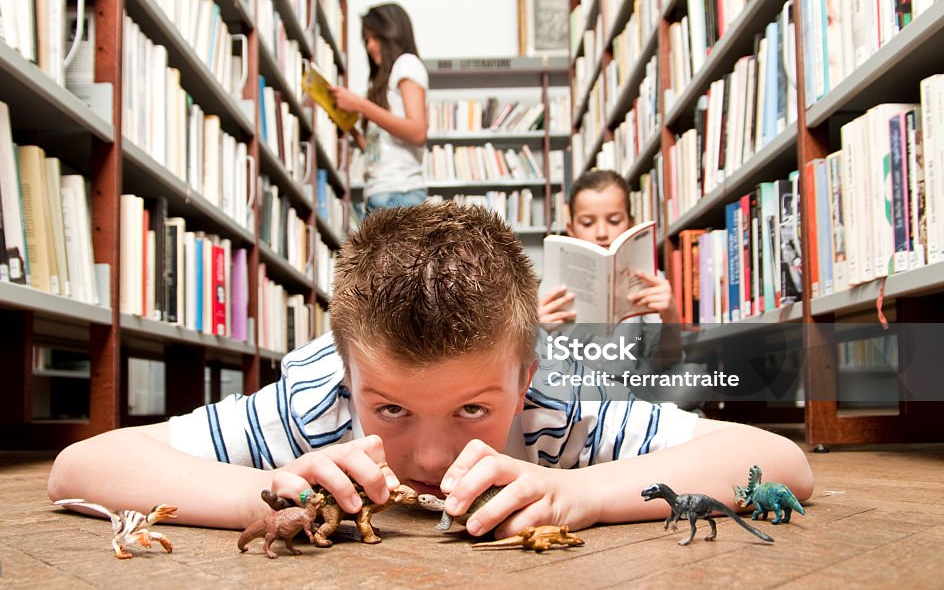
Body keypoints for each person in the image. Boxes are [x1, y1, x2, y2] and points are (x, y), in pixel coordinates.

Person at [48, 202, 813, 537]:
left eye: (475, 410)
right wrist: (265, 488)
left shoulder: (560, 408)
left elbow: (783, 461)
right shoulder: (314, 402)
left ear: (526, 376)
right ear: (349, 377)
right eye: (390, 410)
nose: (433, 457)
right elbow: (81, 465)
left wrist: (583, 492)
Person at [538, 169, 685, 380]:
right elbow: (534, 366)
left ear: (631, 223)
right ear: (571, 228)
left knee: (689, 377)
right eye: (587, 223)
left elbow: (666, 365)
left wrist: (670, 315)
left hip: (630, 390)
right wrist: (535, 329)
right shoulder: (550, 285)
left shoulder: (650, 280)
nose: (602, 233)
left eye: (614, 220)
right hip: (572, 392)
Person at [328, 3, 428, 212]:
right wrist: (352, 130)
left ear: (392, 33)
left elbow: (418, 132)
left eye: (376, 38)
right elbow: (377, 154)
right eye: (366, 40)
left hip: (400, 195)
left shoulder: (406, 64)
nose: (370, 46)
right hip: (379, 195)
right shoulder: (381, 84)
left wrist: (360, 105)